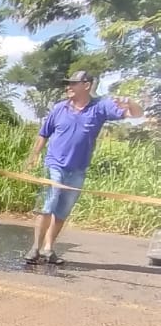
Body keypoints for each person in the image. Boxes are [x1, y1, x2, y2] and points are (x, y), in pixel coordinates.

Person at [24, 71, 143, 264]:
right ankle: (35, 248)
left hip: (78, 170)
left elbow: (137, 114)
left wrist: (129, 101)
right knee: (47, 205)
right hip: (54, 165)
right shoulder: (59, 108)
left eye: (73, 83)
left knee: (62, 211)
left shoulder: (100, 107)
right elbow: (43, 133)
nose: (68, 87)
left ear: (86, 85)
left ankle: (48, 249)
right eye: (68, 83)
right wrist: (34, 155)